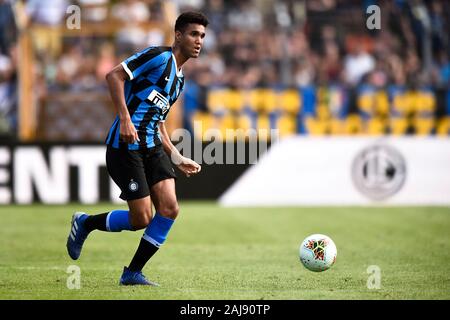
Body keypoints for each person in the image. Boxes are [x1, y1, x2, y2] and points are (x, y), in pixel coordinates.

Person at [66, 11, 208, 286]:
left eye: (202, 35)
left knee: (169, 209)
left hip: (152, 147)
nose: (198, 40)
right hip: (125, 146)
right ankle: (85, 223)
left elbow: (159, 121)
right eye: (193, 34)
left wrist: (176, 155)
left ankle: (132, 272)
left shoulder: (179, 80)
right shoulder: (157, 57)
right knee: (141, 217)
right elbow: (114, 75)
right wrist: (124, 119)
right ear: (178, 35)